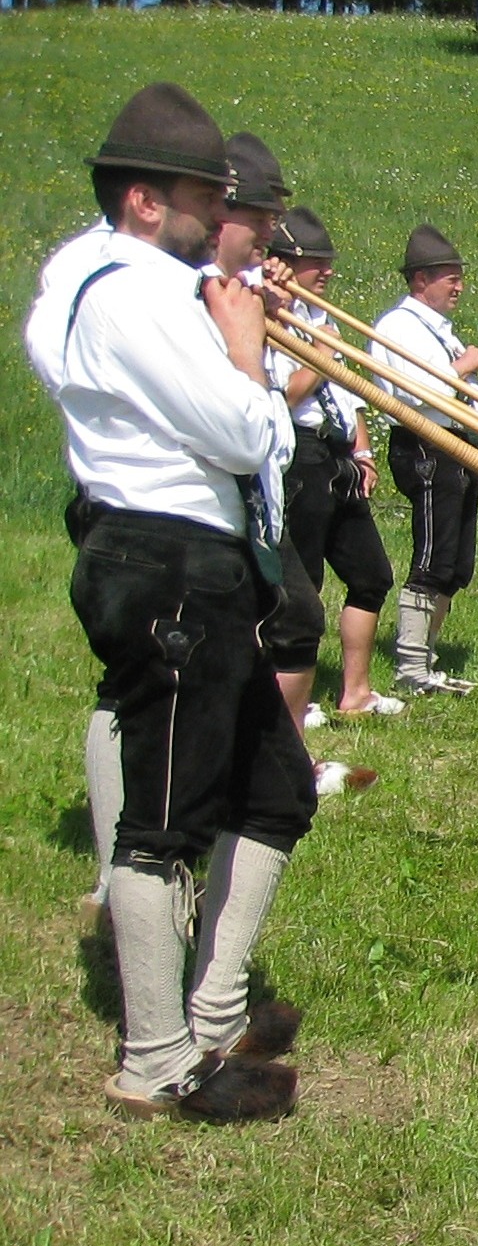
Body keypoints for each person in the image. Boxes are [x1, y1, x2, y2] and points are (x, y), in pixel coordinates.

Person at [33, 82, 309, 1121]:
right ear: (146, 201)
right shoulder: (127, 290)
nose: (217, 218)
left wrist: (238, 327)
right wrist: (245, 352)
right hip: (169, 561)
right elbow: (246, 434)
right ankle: (157, 1059)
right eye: (203, 197)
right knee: (161, 822)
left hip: (198, 557)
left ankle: (214, 1009)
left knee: (277, 791)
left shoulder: (127, 281)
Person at [261, 210, 402, 732]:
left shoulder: (322, 319)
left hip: (336, 452)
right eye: (317, 263)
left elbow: (347, 394)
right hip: (297, 453)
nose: (328, 273)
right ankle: (300, 698)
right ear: (285, 264)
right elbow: (282, 396)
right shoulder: (270, 320)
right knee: (306, 585)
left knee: (371, 575)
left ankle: (356, 691)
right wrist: (319, 357)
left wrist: (362, 452)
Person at [368, 225, 478, 694]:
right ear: (420, 280)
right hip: (426, 445)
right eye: (448, 277)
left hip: (457, 443)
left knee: (456, 563)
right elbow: (412, 393)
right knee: (433, 556)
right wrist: (465, 368)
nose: (458, 286)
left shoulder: (441, 331)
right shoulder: (397, 327)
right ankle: (410, 667)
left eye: (459, 277)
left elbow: (460, 393)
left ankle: (427, 657)